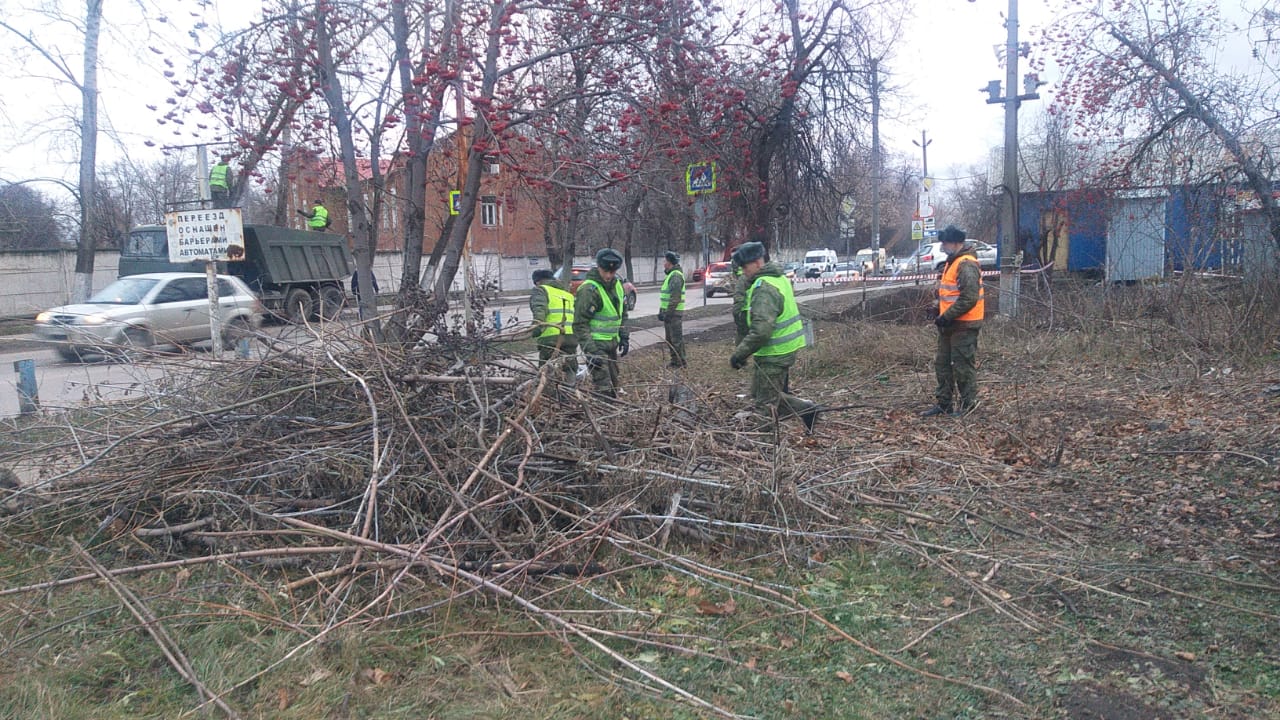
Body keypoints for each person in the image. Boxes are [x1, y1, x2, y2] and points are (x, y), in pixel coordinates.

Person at [728, 241, 820, 433]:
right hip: (781, 349)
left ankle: (767, 449)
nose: (743, 271)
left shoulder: (764, 288)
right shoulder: (778, 278)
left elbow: (762, 330)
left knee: (765, 405)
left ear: (757, 263)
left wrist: (740, 353)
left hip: (775, 353)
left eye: (745, 267)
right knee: (760, 392)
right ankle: (806, 409)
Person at [921, 225, 985, 417]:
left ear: (956, 242)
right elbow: (950, 294)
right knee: (942, 364)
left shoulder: (966, 264)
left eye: (945, 242)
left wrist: (946, 316)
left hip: (964, 325)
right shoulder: (953, 262)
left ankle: (968, 406)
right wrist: (938, 309)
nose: (942, 246)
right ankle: (944, 404)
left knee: (963, 366)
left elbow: (969, 298)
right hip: (950, 325)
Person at [572, 248, 630, 398]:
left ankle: (612, 414)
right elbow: (580, 324)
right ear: (598, 267)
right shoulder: (589, 290)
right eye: (605, 271)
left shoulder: (617, 285)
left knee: (614, 383)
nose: (608, 276)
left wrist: (624, 336)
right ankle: (603, 419)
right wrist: (591, 352)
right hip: (596, 345)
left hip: (611, 343)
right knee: (603, 387)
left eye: (612, 272)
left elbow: (622, 313)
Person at [529, 268, 578, 382]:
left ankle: (549, 393)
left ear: (537, 282)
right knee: (570, 366)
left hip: (551, 338)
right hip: (570, 336)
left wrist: (536, 329)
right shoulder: (567, 294)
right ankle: (570, 390)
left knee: (546, 369)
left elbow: (540, 311)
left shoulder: (541, 290)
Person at [657, 250, 686, 368]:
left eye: (665, 261)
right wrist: (661, 311)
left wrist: (667, 313)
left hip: (674, 314)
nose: (663, 263)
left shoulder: (675, 276)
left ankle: (680, 362)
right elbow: (666, 296)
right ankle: (675, 361)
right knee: (670, 339)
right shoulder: (671, 275)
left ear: (669, 263)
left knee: (676, 339)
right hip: (670, 313)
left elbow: (675, 298)